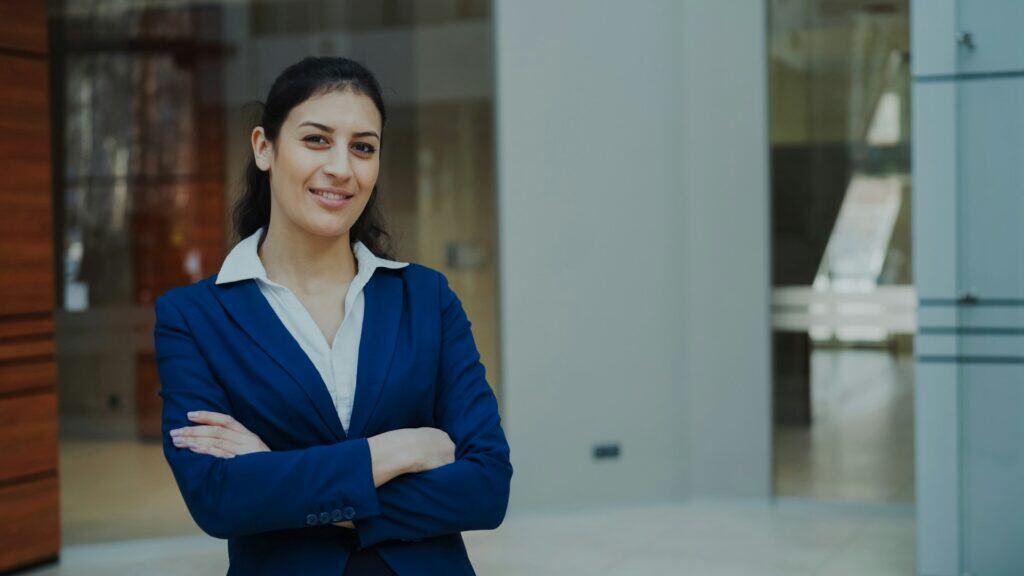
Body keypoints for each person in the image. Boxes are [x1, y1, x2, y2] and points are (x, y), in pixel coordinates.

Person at [153, 56, 512, 576]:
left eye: (363, 147)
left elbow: (486, 488)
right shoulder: (193, 317)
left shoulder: (426, 298)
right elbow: (219, 499)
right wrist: (399, 449)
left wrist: (274, 472)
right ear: (264, 148)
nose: (342, 167)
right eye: (317, 139)